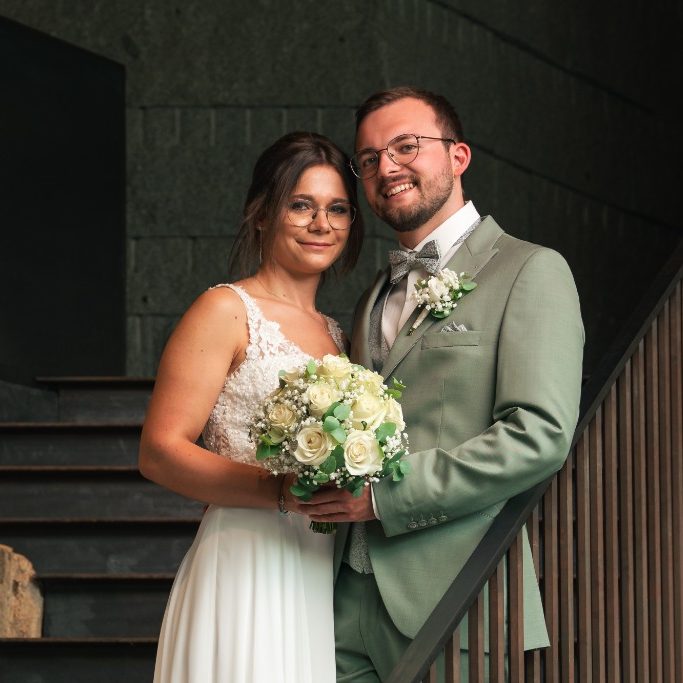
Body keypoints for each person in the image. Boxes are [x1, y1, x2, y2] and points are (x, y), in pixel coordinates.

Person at [303, 87, 584, 680]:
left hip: (455, 602)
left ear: (458, 156)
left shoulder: (531, 270)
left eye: (406, 146)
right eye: (370, 158)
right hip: (338, 600)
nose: (387, 167)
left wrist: (383, 498)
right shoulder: (372, 296)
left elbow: (539, 435)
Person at [138, 131, 364, 683]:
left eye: (337, 209)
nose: (322, 224)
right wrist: (281, 492)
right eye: (301, 205)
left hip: (315, 567)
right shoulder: (225, 309)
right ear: (262, 214)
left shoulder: (339, 334)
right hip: (244, 561)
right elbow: (160, 452)